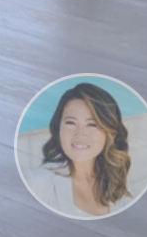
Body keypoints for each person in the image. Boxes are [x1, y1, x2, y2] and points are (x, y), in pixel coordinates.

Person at [31, 82, 133, 218]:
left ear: (109, 133)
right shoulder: (39, 182)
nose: (80, 134)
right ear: (58, 128)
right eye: (70, 123)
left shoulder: (115, 184)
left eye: (92, 124)